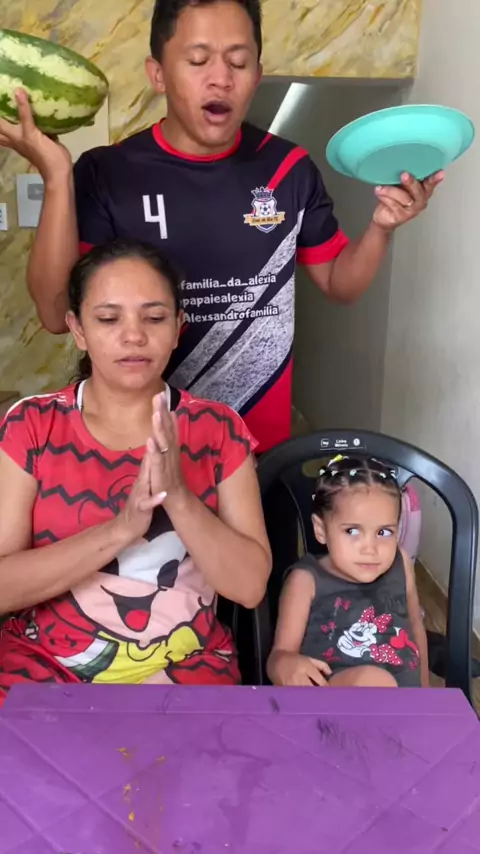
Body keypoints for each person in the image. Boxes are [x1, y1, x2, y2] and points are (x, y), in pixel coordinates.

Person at [0, 0, 443, 456]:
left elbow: (339, 283)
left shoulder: (289, 169)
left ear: (258, 73)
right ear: (158, 74)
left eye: (238, 61)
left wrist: (382, 226)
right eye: (198, 60)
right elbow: (56, 313)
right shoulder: (107, 174)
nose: (221, 78)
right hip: (148, 450)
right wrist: (56, 177)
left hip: (261, 450)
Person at [0, 238, 271, 702]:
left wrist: (179, 498)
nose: (133, 336)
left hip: (184, 668)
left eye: (154, 318)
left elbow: (248, 588)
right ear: (77, 329)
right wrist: (122, 529)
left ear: (178, 327)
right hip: (42, 666)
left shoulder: (218, 428)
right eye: (109, 319)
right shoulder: (32, 424)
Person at [267, 455, 429, 688]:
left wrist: (427, 692)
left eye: (384, 532)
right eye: (352, 531)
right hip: (334, 702)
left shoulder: (400, 562)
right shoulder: (305, 581)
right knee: (373, 681)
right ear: (321, 530)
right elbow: (278, 657)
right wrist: (285, 663)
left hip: (407, 704)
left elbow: (415, 625)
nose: (370, 548)